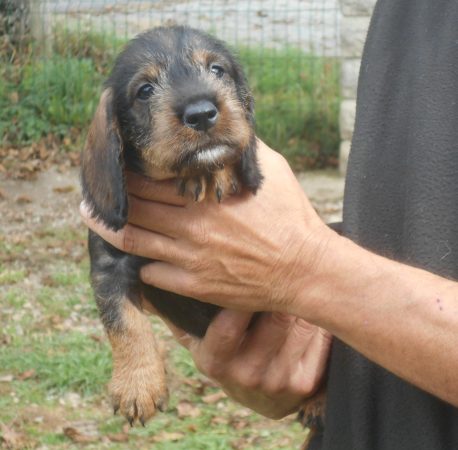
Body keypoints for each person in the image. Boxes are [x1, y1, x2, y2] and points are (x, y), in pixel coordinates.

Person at [80, 0, 458, 448]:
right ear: (117, 129)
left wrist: (306, 268)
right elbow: (110, 267)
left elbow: (302, 252)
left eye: (217, 73)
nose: (200, 105)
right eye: (145, 92)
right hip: (362, 414)